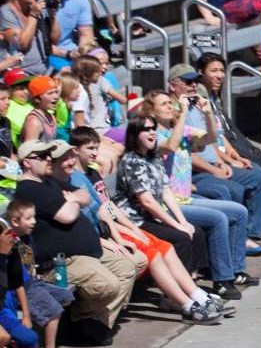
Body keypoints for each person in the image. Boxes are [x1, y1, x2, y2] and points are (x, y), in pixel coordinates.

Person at [68, 127, 230, 324]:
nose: (95, 153)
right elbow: (99, 216)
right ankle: (185, 304)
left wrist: (134, 229)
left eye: (96, 148)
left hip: (119, 226)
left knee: (166, 247)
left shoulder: (93, 173)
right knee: (153, 254)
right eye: (90, 148)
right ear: (75, 150)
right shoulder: (75, 179)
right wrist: (125, 232)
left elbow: (109, 207)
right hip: (106, 233)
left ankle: (197, 296)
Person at [116, 106, 253, 301]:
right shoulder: (132, 161)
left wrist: (183, 221)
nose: (152, 132)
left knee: (194, 231)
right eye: (146, 129)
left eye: (153, 128)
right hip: (136, 220)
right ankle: (177, 296)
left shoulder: (152, 157)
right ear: (134, 134)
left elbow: (165, 191)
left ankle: (192, 285)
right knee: (180, 236)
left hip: (153, 213)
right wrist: (177, 225)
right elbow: (147, 202)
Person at [13, 139, 141, 344]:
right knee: (108, 285)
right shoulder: (29, 189)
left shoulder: (49, 181)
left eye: (49, 155)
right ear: (27, 162)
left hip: (87, 253)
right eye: (42, 156)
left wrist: (73, 198)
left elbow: (84, 195)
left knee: (129, 266)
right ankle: (83, 321)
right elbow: (67, 216)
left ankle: (93, 322)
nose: (48, 159)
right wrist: (72, 200)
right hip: (63, 261)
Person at [168, 64, 261, 255]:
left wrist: (226, 158)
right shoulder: (173, 111)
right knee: (229, 190)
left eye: (195, 82)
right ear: (173, 86)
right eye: (187, 82)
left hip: (214, 163)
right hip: (195, 172)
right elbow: (185, 151)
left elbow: (212, 139)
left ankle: (251, 233)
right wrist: (213, 169)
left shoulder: (197, 105)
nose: (193, 86)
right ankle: (236, 243)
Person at [194, 53, 261, 245]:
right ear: (201, 73)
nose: (219, 75)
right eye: (213, 71)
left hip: (239, 150)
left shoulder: (214, 95)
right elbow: (209, 137)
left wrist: (232, 153)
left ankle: (250, 223)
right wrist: (228, 159)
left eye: (222, 71)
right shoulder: (200, 98)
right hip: (217, 158)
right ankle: (251, 231)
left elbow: (221, 132)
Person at [3, 197, 74, 348]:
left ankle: (47, 321)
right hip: (21, 288)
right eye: (29, 218)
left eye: (34, 217)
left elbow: (30, 263)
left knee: (66, 296)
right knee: (53, 311)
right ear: (15, 221)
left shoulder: (27, 237)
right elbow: (16, 278)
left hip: (33, 282)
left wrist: (36, 273)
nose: (34, 221)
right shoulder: (10, 242)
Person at [36, 0, 91, 71]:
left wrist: (83, 53)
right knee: (69, 72)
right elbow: (40, 43)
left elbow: (86, 34)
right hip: (44, 52)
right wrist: (67, 54)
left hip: (71, 50)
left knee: (100, 62)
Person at [0, 0, 44, 75]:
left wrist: (53, 15)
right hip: (22, 74)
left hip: (43, 69)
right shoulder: (6, 12)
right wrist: (33, 16)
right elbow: (22, 44)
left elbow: (54, 40)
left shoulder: (35, 8)